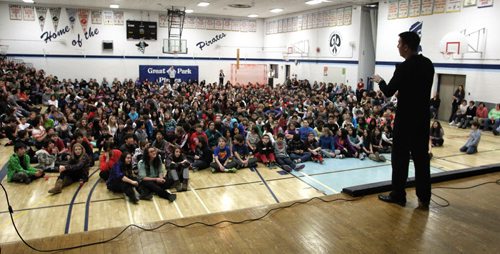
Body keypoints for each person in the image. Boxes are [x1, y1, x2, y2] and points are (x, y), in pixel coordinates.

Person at [372, 31, 435, 209]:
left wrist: (380, 80)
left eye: (399, 43)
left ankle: (398, 194)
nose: (397, 46)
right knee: (421, 159)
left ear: (406, 46)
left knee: (400, 159)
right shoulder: (428, 64)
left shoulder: (404, 67)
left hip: (406, 119)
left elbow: (389, 91)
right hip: (422, 119)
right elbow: (417, 88)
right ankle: (424, 197)